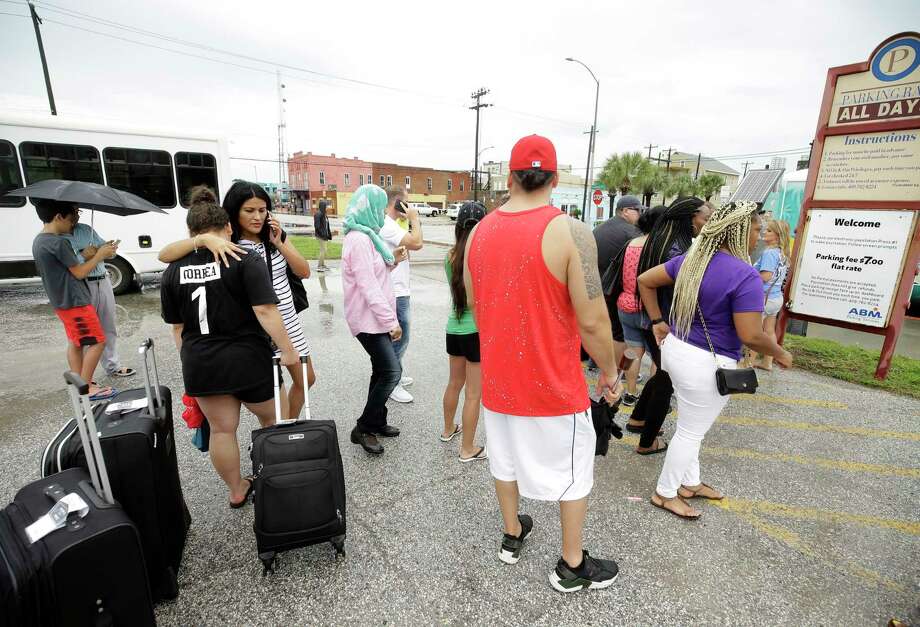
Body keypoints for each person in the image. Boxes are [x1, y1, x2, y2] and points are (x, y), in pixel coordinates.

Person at [466, 135, 622, 592]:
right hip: (553, 384)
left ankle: (512, 533)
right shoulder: (570, 232)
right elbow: (593, 322)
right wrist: (611, 373)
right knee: (574, 473)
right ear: (554, 179)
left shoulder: (478, 232)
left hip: (499, 380)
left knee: (505, 460)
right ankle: (572, 565)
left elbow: (476, 305)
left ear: (510, 177)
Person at [638, 201, 793, 519]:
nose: (758, 237)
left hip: (676, 351)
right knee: (691, 431)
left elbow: (645, 280)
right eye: (755, 229)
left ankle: (690, 483)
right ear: (737, 231)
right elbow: (751, 334)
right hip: (705, 363)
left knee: (690, 424)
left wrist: (657, 320)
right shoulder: (745, 275)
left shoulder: (692, 261)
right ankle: (665, 493)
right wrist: (780, 352)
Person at [160, 186, 299, 508]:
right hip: (248, 358)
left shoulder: (173, 270)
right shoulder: (243, 258)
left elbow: (178, 327)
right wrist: (288, 350)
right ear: (227, 228)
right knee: (273, 422)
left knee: (223, 431)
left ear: (191, 233)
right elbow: (265, 310)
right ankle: (277, 478)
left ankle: (237, 490)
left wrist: (191, 361)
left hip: (201, 362)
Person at [159, 181, 313, 421]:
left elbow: (303, 271)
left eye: (262, 210)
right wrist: (204, 240)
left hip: (287, 321)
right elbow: (164, 255)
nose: (258, 217)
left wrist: (279, 242)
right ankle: (281, 435)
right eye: (249, 211)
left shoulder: (274, 237)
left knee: (306, 379)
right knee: (270, 403)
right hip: (262, 325)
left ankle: (286, 429)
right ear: (234, 213)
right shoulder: (227, 244)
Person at [626, 198, 713, 455]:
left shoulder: (659, 239)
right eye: (704, 219)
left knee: (664, 372)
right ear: (690, 217)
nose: (705, 225)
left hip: (650, 317)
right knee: (667, 380)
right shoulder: (678, 248)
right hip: (664, 322)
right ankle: (647, 441)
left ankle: (638, 418)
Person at [342, 184, 409, 455]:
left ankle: (377, 421)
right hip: (368, 320)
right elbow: (368, 286)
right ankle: (364, 427)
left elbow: (375, 271)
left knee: (381, 371)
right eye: (380, 210)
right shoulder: (358, 239)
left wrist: (392, 260)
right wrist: (391, 322)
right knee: (392, 372)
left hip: (375, 319)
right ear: (368, 208)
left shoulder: (369, 236)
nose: (383, 215)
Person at [32, 199, 117, 400]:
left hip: (61, 302)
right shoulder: (58, 242)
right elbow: (79, 273)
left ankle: (79, 380)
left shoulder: (39, 240)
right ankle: (86, 387)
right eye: (71, 219)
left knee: (76, 342)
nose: (73, 224)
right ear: (59, 216)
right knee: (98, 342)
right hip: (75, 301)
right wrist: (99, 255)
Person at [441, 201, 487, 462]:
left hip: (454, 328)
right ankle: (467, 448)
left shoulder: (450, 256)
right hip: (476, 331)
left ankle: (448, 430)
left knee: (454, 383)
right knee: (473, 393)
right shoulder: (482, 258)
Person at [63, 214, 136, 380]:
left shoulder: (85, 229)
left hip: (102, 279)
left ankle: (113, 366)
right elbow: (67, 264)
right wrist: (83, 255)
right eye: (73, 212)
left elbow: (102, 249)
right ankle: (83, 376)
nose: (76, 215)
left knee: (108, 326)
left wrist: (108, 249)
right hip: (83, 284)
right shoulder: (58, 238)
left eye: (77, 211)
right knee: (83, 333)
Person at [614, 206, 666, 406]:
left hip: (625, 304)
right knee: (657, 356)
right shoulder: (659, 247)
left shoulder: (631, 243)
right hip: (649, 308)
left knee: (633, 352)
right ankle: (650, 397)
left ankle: (630, 392)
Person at [377, 187, 422, 404]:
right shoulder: (387, 225)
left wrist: (406, 221)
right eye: (406, 202)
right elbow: (417, 243)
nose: (409, 206)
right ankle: (391, 382)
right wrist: (414, 219)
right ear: (397, 203)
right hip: (395, 291)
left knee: (400, 338)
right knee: (399, 338)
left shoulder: (393, 225)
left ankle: (396, 373)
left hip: (400, 288)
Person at [593, 195, 643, 366]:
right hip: (614, 289)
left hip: (596, 285)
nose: (640, 214)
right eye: (638, 210)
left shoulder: (601, 228)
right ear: (626, 211)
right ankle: (618, 370)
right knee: (619, 333)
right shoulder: (631, 233)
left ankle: (595, 361)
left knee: (603, 327)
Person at [752, 219, 791, 371]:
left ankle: (748, 362)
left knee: (756, 332)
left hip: (764, 297)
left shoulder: (769, 253)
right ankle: (767, 362)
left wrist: (749, 275)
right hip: (776, 298)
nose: (764, 232)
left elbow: (766, 276)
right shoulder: (782, 253)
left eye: (768, 230)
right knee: (769, 331)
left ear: (777, 235)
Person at [313, 200, 333, 272]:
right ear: (322, 206)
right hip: (320, 236)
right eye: (326, 206)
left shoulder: (324, 214)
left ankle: (322, 265)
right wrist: (323, 234)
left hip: (324, 236)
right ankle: (319, 266)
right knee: (323, 250)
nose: (327, 207)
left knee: (323, 250)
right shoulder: (318, 214)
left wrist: (328, 234)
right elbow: (317, 226)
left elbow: (326, 226)